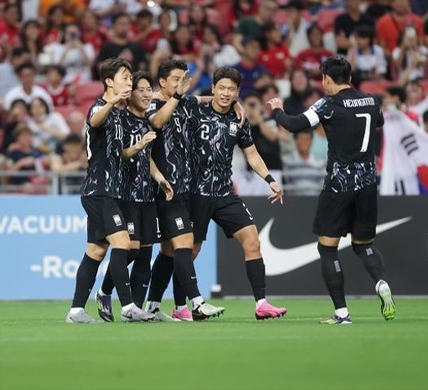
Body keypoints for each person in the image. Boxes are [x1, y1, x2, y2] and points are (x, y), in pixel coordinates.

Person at [267, 55, 396, 324]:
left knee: (328, 249)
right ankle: (381, 281)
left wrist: (277, 110)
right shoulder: (371, 101)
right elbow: (379, 122)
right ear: (349, 77)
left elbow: (295, 124)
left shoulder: (328, 104)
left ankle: (342, 313)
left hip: (339, 185)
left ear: (327, 78)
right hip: (368, 184)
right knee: (365, 244)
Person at [187, 67, 287, 320]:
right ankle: (186, 305)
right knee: (190, 250)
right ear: (213, 88)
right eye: (221, 88)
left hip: (223, 192)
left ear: (237, 92)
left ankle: (262, 303)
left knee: (252, 240)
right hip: (194, 193)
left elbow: (251, 154)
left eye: (231, 89)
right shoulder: (195, 111)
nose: (225, 93)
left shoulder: (238, 120)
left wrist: (270, 180)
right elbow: (173, 101)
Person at [66, 57, 154, 324]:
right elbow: (94, 121)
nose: (129, 82)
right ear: (109, 82)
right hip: (99, 190)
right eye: (125, 77)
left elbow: (120, 154)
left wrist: (137, 147)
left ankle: (75, 311)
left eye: (129, 78)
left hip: (110, 190)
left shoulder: (116, 113)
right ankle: (128, 306)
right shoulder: (102, 107)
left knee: (95, 251)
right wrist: (114, 101)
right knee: (123, 244)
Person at [144, 59, 227, 321]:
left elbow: (201, 100)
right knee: (183, 243)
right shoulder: (152, 103)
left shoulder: (187, 102)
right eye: (176, 79)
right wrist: (179, 95)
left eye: (184, 79)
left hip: (188, 187)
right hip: (166, 189)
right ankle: (197, 303)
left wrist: (230, 102)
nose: (181, 84)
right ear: (162, 83)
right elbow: (157, 123)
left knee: (169, 251)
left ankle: (154, 306)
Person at [95, 71, 174, 321]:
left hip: (147, 196)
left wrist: (160, 178)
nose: (146, 93)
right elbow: (121, 155)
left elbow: (146, 158)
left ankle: (135, 310)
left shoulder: (146, 122)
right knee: (129, 250)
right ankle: (105, 291)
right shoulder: (120, 119)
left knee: (145, 253)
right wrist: (139, 145)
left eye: (149, 89)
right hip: (125, 194)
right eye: (140, 89)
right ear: (130, 94)